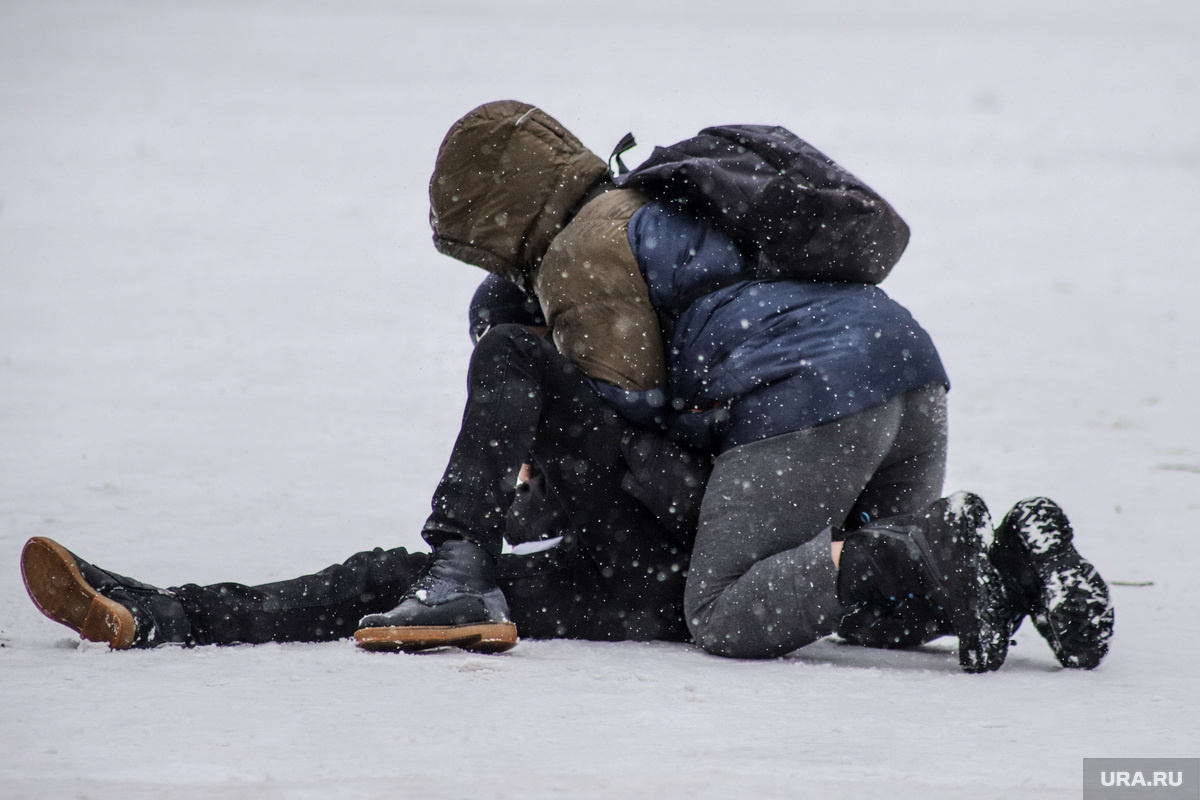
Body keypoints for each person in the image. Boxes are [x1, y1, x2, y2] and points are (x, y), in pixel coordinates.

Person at [388, 99, 1114, 672]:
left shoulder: (583, 253)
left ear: (496, 221)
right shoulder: (654, 203)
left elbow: (631, 424)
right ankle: (1021, 561)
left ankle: (928, 540)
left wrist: (525, 501)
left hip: (811, 394)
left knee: (726, 610)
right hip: (909, 368)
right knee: (854, 603)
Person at [20, 276, 710, 651]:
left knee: (506, 351)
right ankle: (162, 616)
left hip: (668, 565)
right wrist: (537, 481)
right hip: (623, 591)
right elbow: (540, 523)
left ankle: (460, 563)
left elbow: (660, 483)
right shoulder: (582, 424)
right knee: (379, 577)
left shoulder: (629, 385)